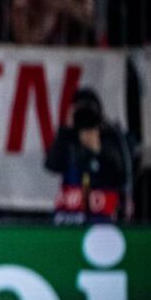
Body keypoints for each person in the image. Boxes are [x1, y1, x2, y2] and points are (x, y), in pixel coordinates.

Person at [45, 87, 131, 224]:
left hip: (103, 214)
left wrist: (97, 150)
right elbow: (51, 165)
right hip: (70, 214)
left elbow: (119, 175)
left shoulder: (110, 136)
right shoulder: (68, 138)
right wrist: (65, 130)